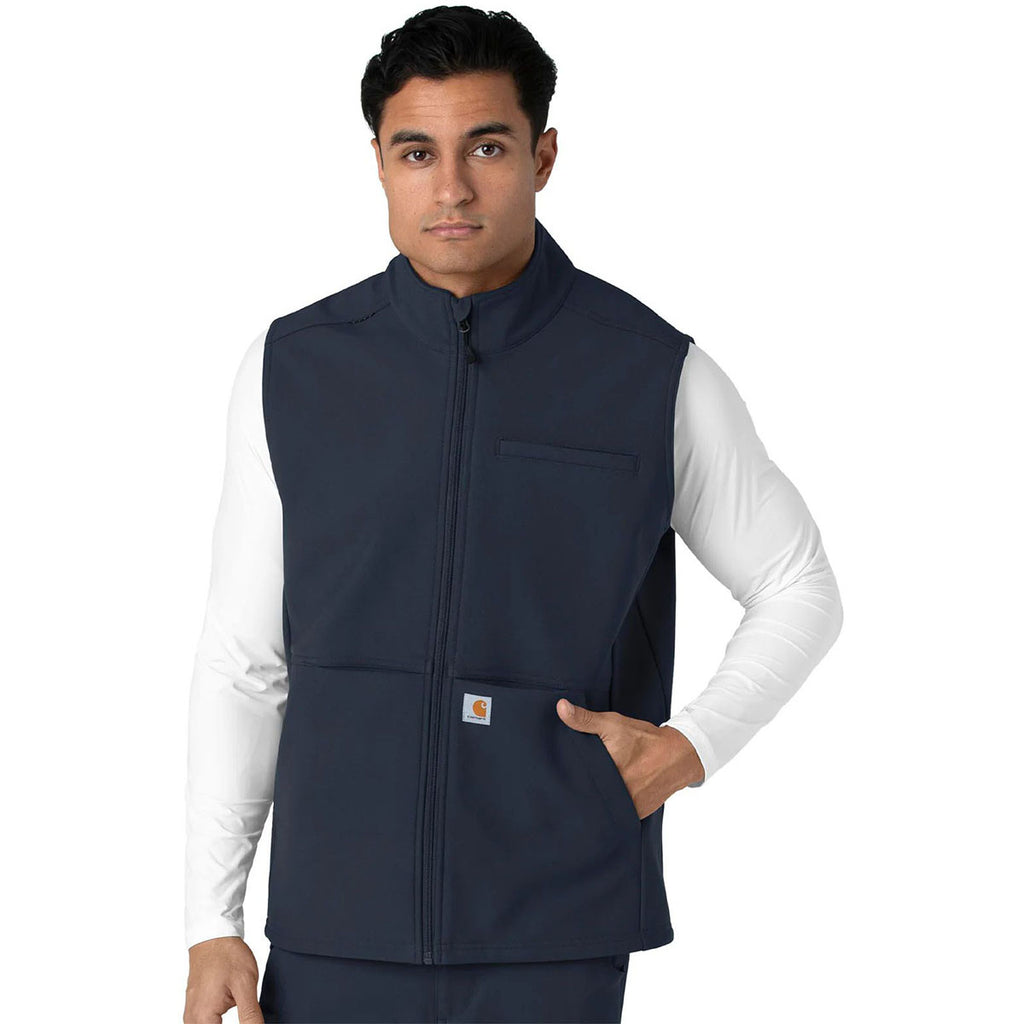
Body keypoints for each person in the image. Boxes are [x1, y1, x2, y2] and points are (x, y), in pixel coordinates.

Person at [182, 6, 844, 1023]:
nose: (450, 187)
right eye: (417, 152)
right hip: (335, 918)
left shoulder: (650, 373)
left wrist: (691, 746)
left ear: (542, 156)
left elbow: (798, 585)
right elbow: (244, 659)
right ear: (379, 163)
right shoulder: (293, 368)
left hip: (555, 924)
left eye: (486, 148)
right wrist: (211, 918)